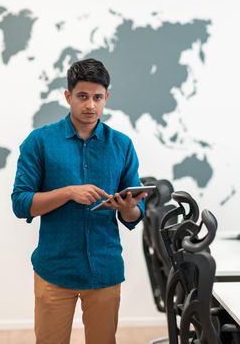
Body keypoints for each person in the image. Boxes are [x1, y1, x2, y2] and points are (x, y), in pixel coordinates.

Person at [11, 58, 147, 344]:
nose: (90, 105)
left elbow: (134, 214)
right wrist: (68, 192)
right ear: (68, 96)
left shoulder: (122, 145)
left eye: (98, 97)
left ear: (106, 97)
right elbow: (21, 203)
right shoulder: (39, 142)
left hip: (105, 268)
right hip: (55, 269)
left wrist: (129, 208)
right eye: (82, 96)